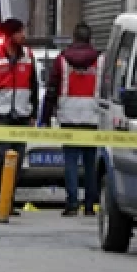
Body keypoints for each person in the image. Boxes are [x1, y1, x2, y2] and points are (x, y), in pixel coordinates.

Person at [43, 22, 103, 217]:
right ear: (90, 39)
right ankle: (89, 205)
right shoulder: (100, 60)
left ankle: (72, 203)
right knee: (90, 162)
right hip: (92, 116)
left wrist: (44, 117)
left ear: (74, 39)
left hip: (68, 115)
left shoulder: (62, 60)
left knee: (70, 161)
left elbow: (51, 89)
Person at [0, 18, 38, 206]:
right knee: (1, 156)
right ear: (9, 35)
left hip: (21, 113)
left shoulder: (28, 55)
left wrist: (33, 112)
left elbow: (34, 86)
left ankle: (8, 199)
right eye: (20, 32)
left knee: (18, 159)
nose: (24, 36)